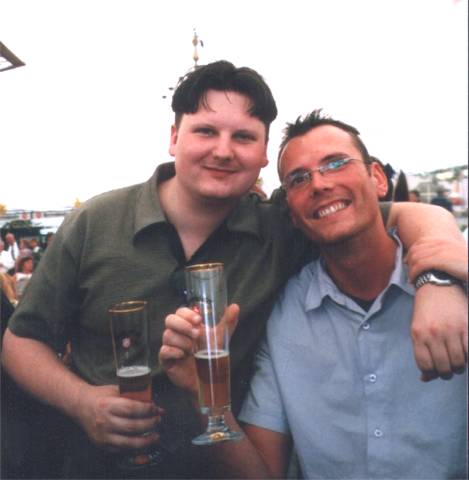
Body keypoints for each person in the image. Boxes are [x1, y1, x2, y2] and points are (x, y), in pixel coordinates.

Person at [2, 61, 467, 479]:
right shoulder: (96, 222)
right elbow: (21, 341)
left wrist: (437, 279)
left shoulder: (282, 224)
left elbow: (389, 214)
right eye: (205, 131)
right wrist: (82, 402)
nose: (223, 151)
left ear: (264, 154)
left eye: (243, 137)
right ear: (174, 138)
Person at [160, 110, 467, 479]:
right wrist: (203, 393)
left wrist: (439, 281)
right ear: (290, 212)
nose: (319, 184)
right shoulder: (286, 315)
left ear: (377, 178)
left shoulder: (457, 278)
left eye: (336, 163)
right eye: (299, 178)